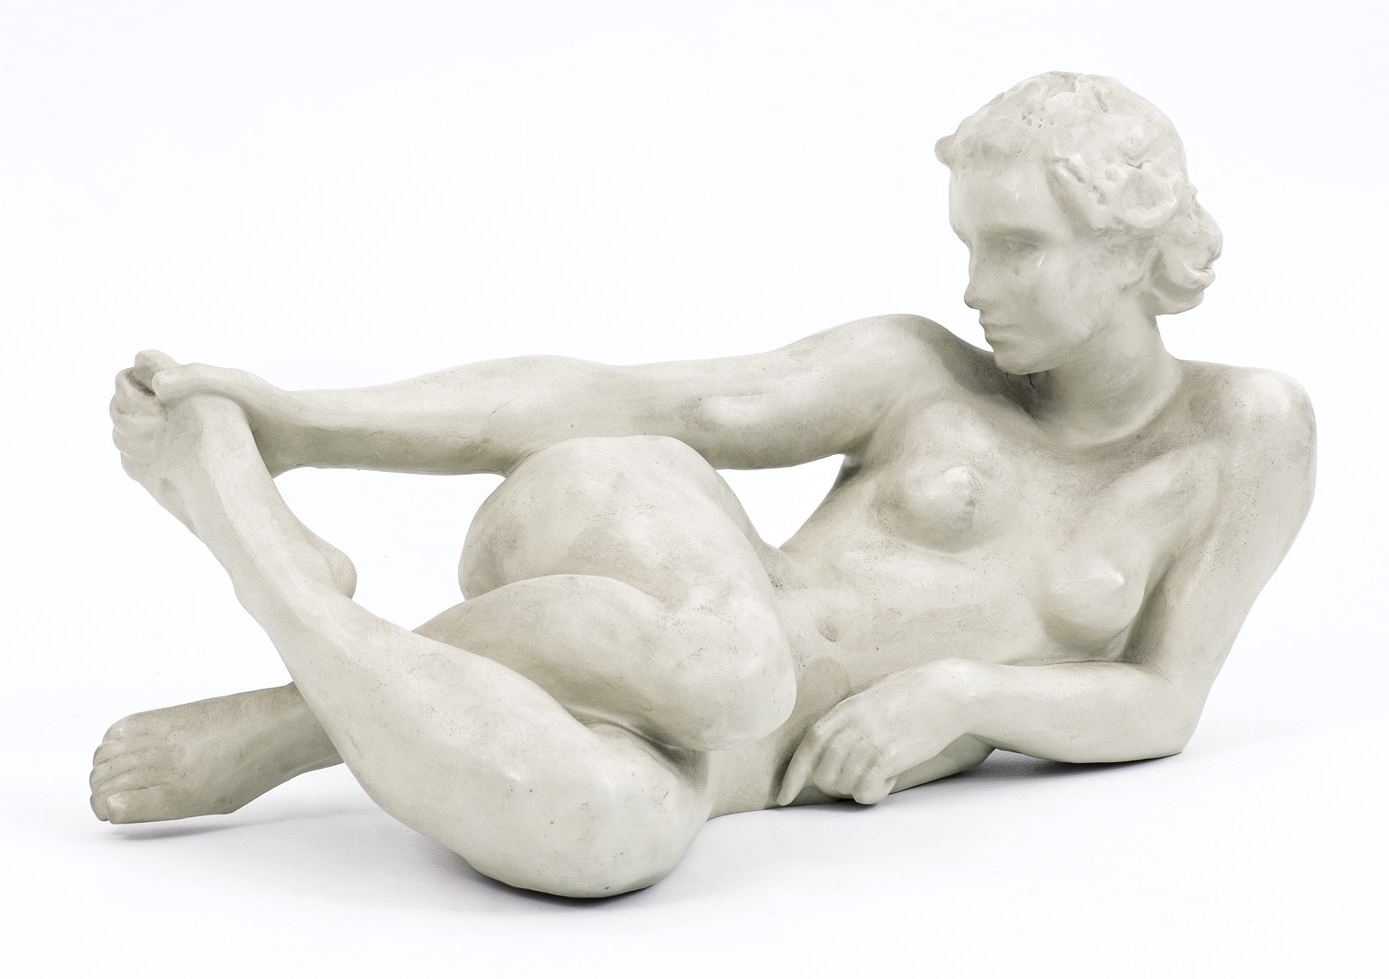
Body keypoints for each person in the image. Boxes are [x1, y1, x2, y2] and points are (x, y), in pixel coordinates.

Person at [92, 73, 1314, 898]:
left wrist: (958, 693)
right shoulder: (916, 369)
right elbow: (631, 403)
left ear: (1129, 243)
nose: (973, 287)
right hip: (650, 547)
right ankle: (268, 539)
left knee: (603, 836)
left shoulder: (1240, 431)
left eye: (1017, 248)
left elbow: (1162, 699)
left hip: (746, 761)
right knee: (733, 667)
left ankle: (255, 557)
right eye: (967, 245)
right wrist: (299, 420)